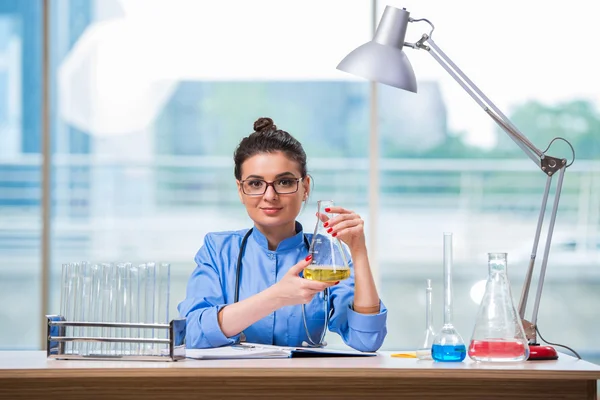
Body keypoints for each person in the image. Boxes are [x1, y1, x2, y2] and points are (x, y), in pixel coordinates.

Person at [177, 117, 387, 351]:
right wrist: (277, 296)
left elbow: (367, 339)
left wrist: (358, 251)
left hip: (303, 385)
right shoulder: (217, 250)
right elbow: (193, 333)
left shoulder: (326, 255)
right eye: (256, 184)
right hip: (233, 385)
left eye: (284, 182)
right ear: (240, 190)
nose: (270, 195)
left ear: (305, 187)